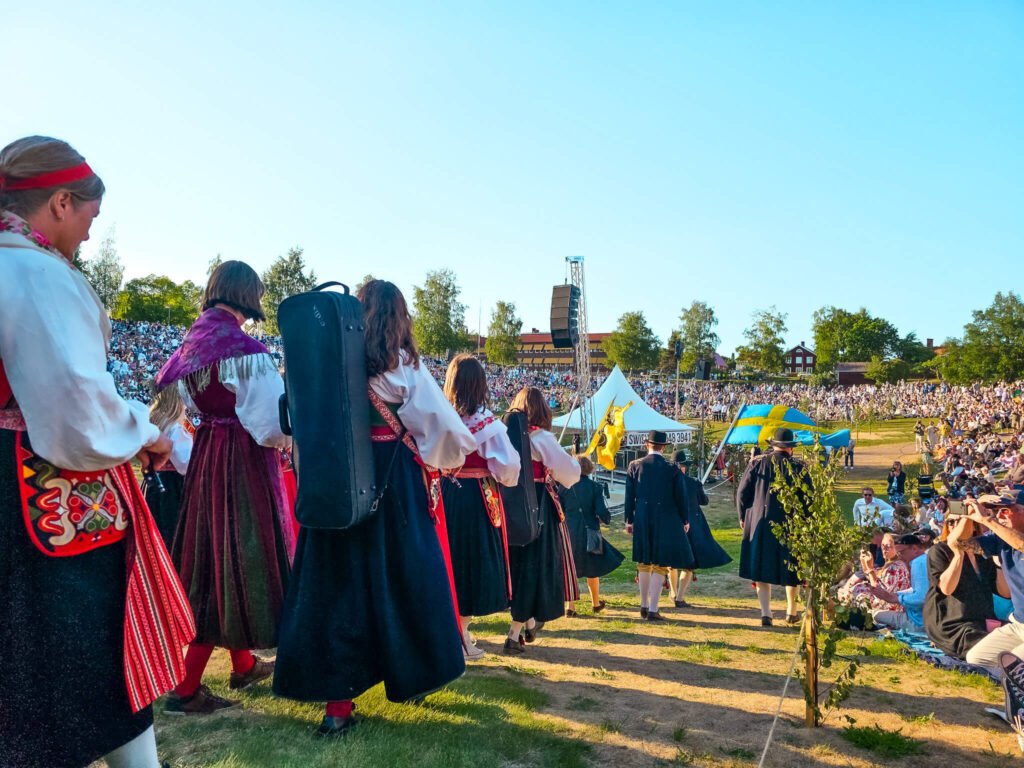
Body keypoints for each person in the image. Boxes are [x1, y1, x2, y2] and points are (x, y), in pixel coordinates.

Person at [0, 136, 194, 768]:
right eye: (87, 216)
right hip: (39, 493)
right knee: (88, 652)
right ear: (59, 203)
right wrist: (150, 434)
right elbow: (79, 414)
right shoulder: (36, 274)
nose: (87, 233)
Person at [274, 279, 475, 734]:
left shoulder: (328, 362)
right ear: (399, 318)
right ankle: (415, 678)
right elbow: (445, 432)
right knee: (407, 581)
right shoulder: (401, 366)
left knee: (334, 591)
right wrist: (443, 459)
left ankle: (336, 709)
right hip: (391, 484)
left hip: (333, 486)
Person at [156, 261, 294, 714]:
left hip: (208, 456)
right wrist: (289, 440)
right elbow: (271, 424)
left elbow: (176, 407)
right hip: (242, 459)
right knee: (241, 557)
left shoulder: (190, 348)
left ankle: (243, 664)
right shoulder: (246, 350)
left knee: (212, 557)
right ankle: (186, 688)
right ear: (248, 295)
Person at [441, 353, 521, 659]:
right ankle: (461, 634)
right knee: (472, 563)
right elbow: (509, 467)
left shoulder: (443, 418)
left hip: (445, 493)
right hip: (477, 495)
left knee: (449, 559)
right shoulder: (488, 424)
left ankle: (456, 633)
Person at [504, 386, 581, 654]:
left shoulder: (506, 435)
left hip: (509, 507)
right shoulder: (541, 438)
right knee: (533, 567)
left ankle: (530, 622)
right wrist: (575, 461)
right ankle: (515, 633)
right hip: (537, 508)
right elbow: (570, 475)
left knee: (518, 567)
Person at [736, 428, 805, 627]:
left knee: (760, 566)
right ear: (790, 448)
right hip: (791, 523)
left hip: (761, 521)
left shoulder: (756, 463)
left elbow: (742, 493)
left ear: (772, 444)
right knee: (792, 567)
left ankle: (766, 613)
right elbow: (807, 497)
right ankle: (791, 611)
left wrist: (743, 516)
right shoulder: (799, 466)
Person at [625, 430, 694, 621]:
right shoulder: (672, 468)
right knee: (660, 564)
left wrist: (628, 520)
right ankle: (654, 609)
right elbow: (681, 497)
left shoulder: (635, 466)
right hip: (666, 517)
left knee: (644, 562)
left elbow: (629, 496)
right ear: (664, 447)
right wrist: (685, 520)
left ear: (647, 444)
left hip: (642, 516)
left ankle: (644, 605)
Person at [958, 492, 1024, 677]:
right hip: (1018, 623)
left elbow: (1021, 544)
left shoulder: (1010, 538)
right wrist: (970, 515)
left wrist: (988, 520)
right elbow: (960, 543)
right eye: (997, 511)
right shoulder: (1001, 540)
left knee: (1014, 668)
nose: (1000, 516)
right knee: (976, 659)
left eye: (1006, 510)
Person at [924, 515, 997, 659]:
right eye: (950, 522)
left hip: (983, 620)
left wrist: (998, 559)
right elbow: (946, 588)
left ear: (973, 525)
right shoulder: (939, 551)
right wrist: (958, 554)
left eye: (961, 520)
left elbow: (1004, 592)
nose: (955, 525)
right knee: (987, 646)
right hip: (952, 622)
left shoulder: (982, 552)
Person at [558, 455, 624, 616]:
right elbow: (602, 512)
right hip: (591, 532)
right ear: (589, 469)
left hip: (569, 532)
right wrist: (606, 519)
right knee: (592, 569)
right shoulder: (595, 487)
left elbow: (559, 510)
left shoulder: (563, 487)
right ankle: (595, 603)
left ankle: (570, 606)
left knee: (569, 569)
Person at [668, 449, 732, 608]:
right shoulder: (693, 483)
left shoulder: (666, 484)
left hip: (672, 524)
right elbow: (704, 501)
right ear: (683, 466)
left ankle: (674, 593)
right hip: (691, 524)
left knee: (672, 562)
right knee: (689, 563)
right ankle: (680, 597)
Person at [145, 395, 194, 548]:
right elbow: (185, 464)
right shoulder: (175, 428)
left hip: (154, 480)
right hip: (173, 483)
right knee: (173, 528)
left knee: (157, 523)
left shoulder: (154, 423)